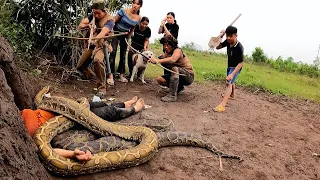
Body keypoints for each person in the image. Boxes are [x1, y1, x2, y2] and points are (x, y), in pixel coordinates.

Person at [21, 96, 145, 162]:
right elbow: (47, 149)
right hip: (70, 120)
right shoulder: (29, 135)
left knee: (96, 104)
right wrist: (72, 154)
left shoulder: (19, 116)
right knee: (105, 112)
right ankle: (134, 109)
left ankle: (124, 104)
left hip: (63, 110)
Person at [76, 0, 114, 97]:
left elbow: (103, 33)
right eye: (94, 13)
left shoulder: (110, 20)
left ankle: (102, 88)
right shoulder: (92, 16)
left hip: (102, 45)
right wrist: (88, 26)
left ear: (103, 11)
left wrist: (94, 40)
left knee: (97, 60)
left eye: (98, 13)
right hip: (92, 45)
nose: (96, 15)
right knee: (80, 66)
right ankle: (94, 76)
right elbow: (80, 25)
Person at [150, 35, 195, 102]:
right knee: (160, 79)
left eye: (168, 45)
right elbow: (166, 60)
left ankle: (172, 96)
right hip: (177, 75)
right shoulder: (167, 52)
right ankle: (178, 88)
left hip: (188, 76)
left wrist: (158, 61)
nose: (165, 47)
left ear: (173, 45)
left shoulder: (178, 50)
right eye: (164, 45)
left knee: (174, 68)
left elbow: (173, 59)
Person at [109, 0, 143, 84]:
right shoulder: (124, 11)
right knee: (113, 52)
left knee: (123, 55)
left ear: (140, 6)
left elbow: (132, 29)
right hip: (115, 32)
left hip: (125, 35)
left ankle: (121, 75)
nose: (135, 5)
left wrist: (128, 38)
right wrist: (111, 32)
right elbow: (113, 21)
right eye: (134, 3)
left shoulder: (139, 18)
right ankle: (110, 75)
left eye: (137, 4)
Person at [213, 26, 244, 112]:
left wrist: (232, 74)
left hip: (236, 67)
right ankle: (232, 95)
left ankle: (222, 105)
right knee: (231, 81)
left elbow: (241, 63)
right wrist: (221, 36)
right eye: (227, 36)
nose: (228, 38)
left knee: (228, 82)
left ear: (236, 35)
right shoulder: (227, 41)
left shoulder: (239, 47)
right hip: (230, 66)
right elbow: (217, 47)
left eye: (231, 36)